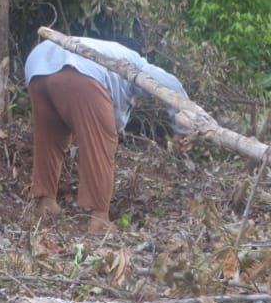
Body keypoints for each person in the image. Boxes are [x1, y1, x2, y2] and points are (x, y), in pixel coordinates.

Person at [24, 36, 192, 234]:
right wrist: (183, 130)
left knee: (50, 138)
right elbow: (172, 86)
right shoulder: (138, 65)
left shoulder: (110, 54)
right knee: (100, 146)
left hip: (38, 64)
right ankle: (99, 219)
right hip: (79, 71)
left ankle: (45, 201)